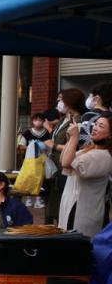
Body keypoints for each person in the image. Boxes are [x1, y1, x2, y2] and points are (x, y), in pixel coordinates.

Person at [59, 112, 112, 237]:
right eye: (96, 124)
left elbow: (66, 163)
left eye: (101, 126)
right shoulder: (91, 149)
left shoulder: (104, 156)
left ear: (110, 135)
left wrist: (74, 138)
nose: (95, 127)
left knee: (77, 247)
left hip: (83, 211)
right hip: (73, 205)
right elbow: (63, 158)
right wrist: (70, 139)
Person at [45, 89, 88, 224]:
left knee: (63, 204)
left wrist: (54, 146)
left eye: (61, 99)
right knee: (54, 203)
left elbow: (76, 147)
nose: (58, 102)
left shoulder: (79, 121)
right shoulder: (64, 119)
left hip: (66, 168)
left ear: (70, 102)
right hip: (55, 166)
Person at [18, 112, 50, 208]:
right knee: (29, 178)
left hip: (42, 160)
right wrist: (32, 147)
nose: (38, 122)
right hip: (29, 161)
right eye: (36, 119)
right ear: (32, 121)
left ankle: (38, 198)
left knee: (40, 179)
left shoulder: (47, 133)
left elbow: (50, 145)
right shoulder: (27, 133)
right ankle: (28, 198)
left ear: (43, 121)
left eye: (40, 120)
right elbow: (21, 146)